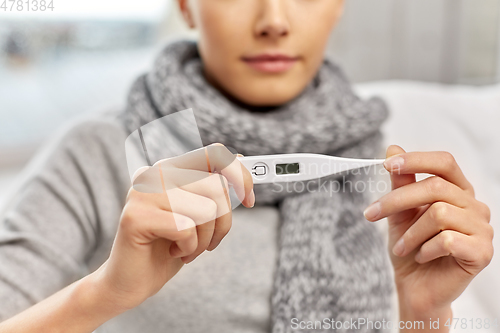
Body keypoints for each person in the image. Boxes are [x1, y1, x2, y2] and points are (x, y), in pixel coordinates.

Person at [0, 0, 493, 332]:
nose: (274, 19)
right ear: (186, 6)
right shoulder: (100, 153)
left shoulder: (392, 169)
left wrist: (425, 314)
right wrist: (105, 292)